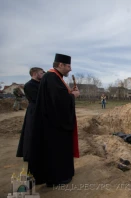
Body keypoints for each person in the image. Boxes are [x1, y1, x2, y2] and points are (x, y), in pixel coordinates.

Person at [28, 53, 80, 187]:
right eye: (68, 66)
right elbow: (59, 101)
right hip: (55, 126)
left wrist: (69, 94)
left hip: (52, 123)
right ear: (60, 65)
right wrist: (73, 96)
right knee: (56, 152)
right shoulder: (52, 78)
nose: (70, 69)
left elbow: (59, 96)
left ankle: (57, 176)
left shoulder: (54, 77)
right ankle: (58, 178)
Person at [16, 67, 45, 161]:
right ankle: (30, 155)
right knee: (32, 132)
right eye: (41, 73)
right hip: (34, 111)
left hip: (41, 110)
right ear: (34, 74)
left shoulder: (40, 83)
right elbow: (37, 99)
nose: (43, 74)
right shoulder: (29, 85)